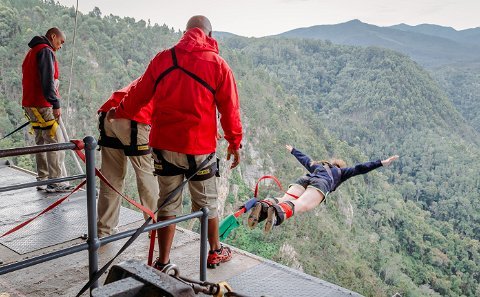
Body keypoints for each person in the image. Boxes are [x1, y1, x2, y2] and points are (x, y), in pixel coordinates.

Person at [109, 15, 243, 269]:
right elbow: (229, 108)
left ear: (185, 32)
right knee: (207, 205)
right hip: (199, 150)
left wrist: (121, 110)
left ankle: (163, 261)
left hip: (164, 148)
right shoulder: (218, 64)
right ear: (209, 36)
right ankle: (214, 251)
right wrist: (234, 143)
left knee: (167, 203)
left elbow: (139, 94)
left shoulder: (163, 59)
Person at [248, 145, 399, 233]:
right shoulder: (341, 172)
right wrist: (382, 163)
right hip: (320, 184)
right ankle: (275, 213)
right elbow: (360, 168)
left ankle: (264, 205)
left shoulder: (319, 165)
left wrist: (293, 150)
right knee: (300, 205)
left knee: (284, 199)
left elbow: (305, 159)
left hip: (305, 178)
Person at [96, 79, 159, 237]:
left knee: (111, 178)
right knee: (146, 175)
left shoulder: (156, 72)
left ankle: (105, 230)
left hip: (107, 115)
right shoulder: (178, 82)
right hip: (133, 119)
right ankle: (155, 229)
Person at [21, 27, 74, 193]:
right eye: (61, 41)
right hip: (42, 104)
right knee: (54, 141)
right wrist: (56, 104)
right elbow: (47, 81)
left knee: (40, 141)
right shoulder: (46, 51)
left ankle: (42, 179)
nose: (61, 46)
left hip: (30, 104)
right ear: (53, 37)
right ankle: (55, 181)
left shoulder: (32, 52)